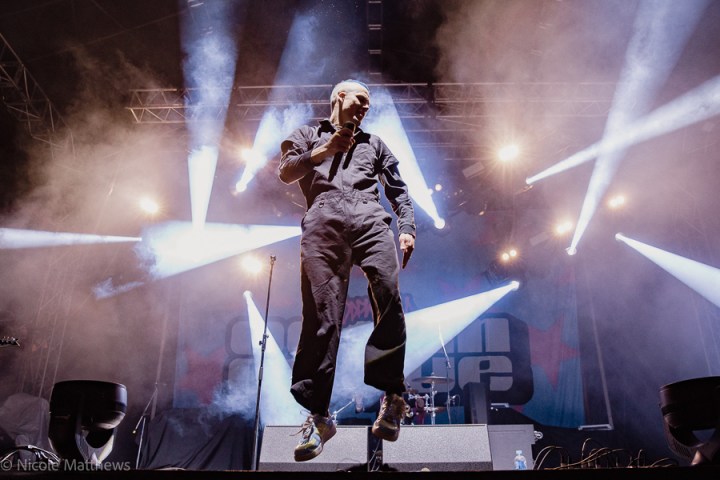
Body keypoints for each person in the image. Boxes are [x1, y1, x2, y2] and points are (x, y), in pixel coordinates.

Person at [279, 79, 416, 462]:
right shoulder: (307, 134)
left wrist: (407, 227)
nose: (365, 107)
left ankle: (392, 397)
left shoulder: (375, 144)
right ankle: (319, 416)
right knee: (323, 315)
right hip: (323, 218)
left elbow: (398, 190)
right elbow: (286, 172)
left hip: (370, 216)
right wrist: (324, 150)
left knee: (388, 293)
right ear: (340, 97)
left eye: (369, 103)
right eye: (361, 99)